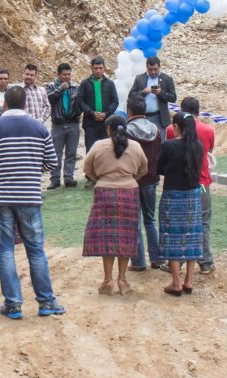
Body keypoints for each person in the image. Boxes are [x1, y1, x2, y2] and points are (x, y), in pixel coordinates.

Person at [0, 86, 65, 320]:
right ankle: (46, 302)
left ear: (4, 105)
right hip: (29, 198)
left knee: (4, 251)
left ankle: (13, 304)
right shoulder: (39, 128)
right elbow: (52, 162)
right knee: (35, 250)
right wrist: (33, 169)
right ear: (25, 104)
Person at [83, 114, 148, 295]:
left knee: (107, 236)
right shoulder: (135, 146)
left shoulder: (99, 145)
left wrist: (101, 179)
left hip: (104, 193)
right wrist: (129, 178)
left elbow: (87, 168)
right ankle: (123, 279)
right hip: (129, 192)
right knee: (126, 235)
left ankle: (107, 280)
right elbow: (144, 169)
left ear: (108, 129)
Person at [157, 112, 205, 295]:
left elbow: (159, 168)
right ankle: (189, 281)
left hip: (172, 194)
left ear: (176, 126)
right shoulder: (198, 146)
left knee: (172, 236)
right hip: (193, 194)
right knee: (192, 234)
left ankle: (176, 282)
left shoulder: (169, 146)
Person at [172, 97, 217, 274]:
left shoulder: (171, 129)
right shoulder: (208, 131)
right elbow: (209, 152)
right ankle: (205, 261)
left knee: (180, 222)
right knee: (203, 222)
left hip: (180, 182)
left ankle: (177, 261)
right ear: (198, 111)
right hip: (202, 183)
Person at [125, 97, 163, 272]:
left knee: (134, 221)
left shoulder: (127, 131)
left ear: (129, 111)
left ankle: (138, 261)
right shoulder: (155, 130)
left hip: (132, 180)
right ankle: (156, 259)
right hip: (151, 179)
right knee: (150, 219)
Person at [46, 63, 82, 189]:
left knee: (71, 153)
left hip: (73, 123)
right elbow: (49, 100)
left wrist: (77, 113)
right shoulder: (51, 86)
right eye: (64, 75)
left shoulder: (75, 87)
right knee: (56, 154)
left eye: (69, 74)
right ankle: (55, 179)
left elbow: (80, 103)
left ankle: (68, 177)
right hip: (58, 124)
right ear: (58, 74)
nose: (67, 77)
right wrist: (60, 89)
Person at [77, 56, 119, 154]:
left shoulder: (110, 83)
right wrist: (91, 113)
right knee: (91, 151)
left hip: (106, 123)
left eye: (100, 68)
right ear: (91, 68)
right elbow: (80, 101)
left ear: (104, 68)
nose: (98, 71)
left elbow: (115, 101)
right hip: (90, 123)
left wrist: (106, 114)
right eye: (95, 68)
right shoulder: (84, 83)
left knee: (106, 151)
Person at [128, 56, 177, 138]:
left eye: (155, 69)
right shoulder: (139, 78)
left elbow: (173, 98)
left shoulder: (167, 79)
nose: (153, 72)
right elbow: (131, 95)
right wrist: (143, 92)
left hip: (159, 117)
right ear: (146, 67)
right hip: (143, 117)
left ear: (159, 67)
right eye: (150, 70)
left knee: (159, 143)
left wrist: (160, 93)